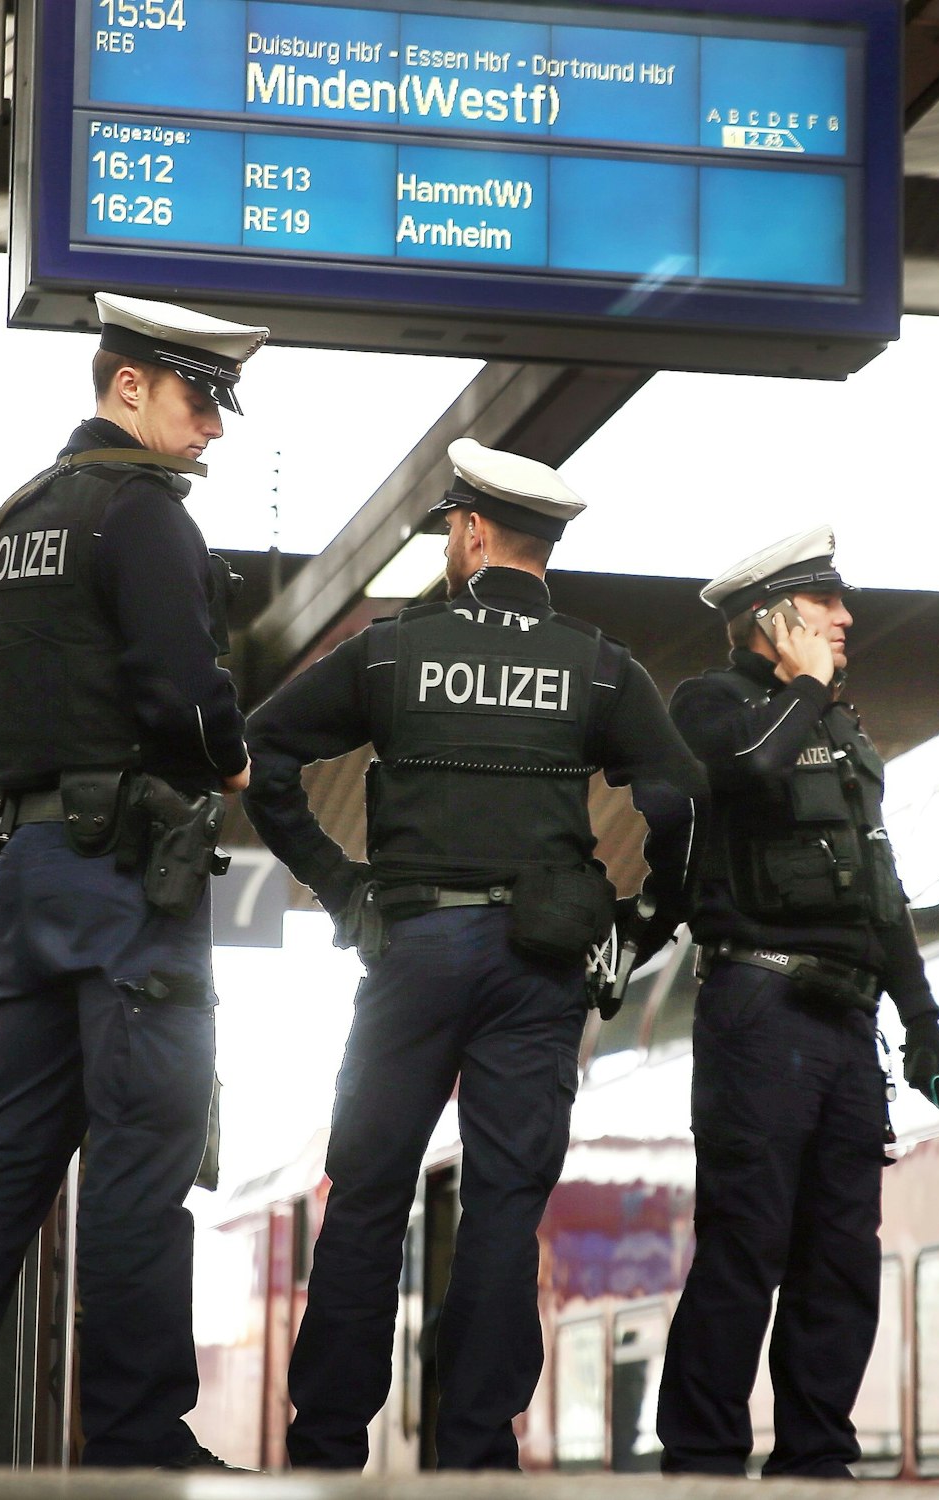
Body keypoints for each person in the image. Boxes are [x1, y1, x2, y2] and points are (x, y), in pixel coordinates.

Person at [242, 438, 706, 1471]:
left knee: (366, 1193)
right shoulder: (595, 665)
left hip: (408, 950)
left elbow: (261, 752)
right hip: (537, 964)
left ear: (468, 532)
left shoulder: (390, 653)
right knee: (503, 1199)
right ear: (546, 548)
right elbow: (677, 798)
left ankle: (325, 1445)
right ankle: (474, 1450)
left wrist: (339, 880)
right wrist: (642, 920)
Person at [0, 293, 264, 1470]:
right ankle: (138, 1438)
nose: (212, 432)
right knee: (143, 1162)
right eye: (198, 401)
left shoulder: (13, 524)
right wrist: (231, 753)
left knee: (1, 1171)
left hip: (34, 874)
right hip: (128, 880)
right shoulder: (138, 515)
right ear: (128, 386)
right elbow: (186, 697)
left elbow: (2, 698)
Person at [656, 524, 939, 1479]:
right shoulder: (711, 704)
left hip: (846, 1018)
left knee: (841, 1252)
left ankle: (816, 1460)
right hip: (760, 1002)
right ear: (772, 618)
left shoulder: (838, 725)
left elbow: (878, 879)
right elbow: (743, 772)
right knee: (747, 1243)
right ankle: (703, 1461)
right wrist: (807, 687)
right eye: (825, 604)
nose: (846, 617)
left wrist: (920, 1013)